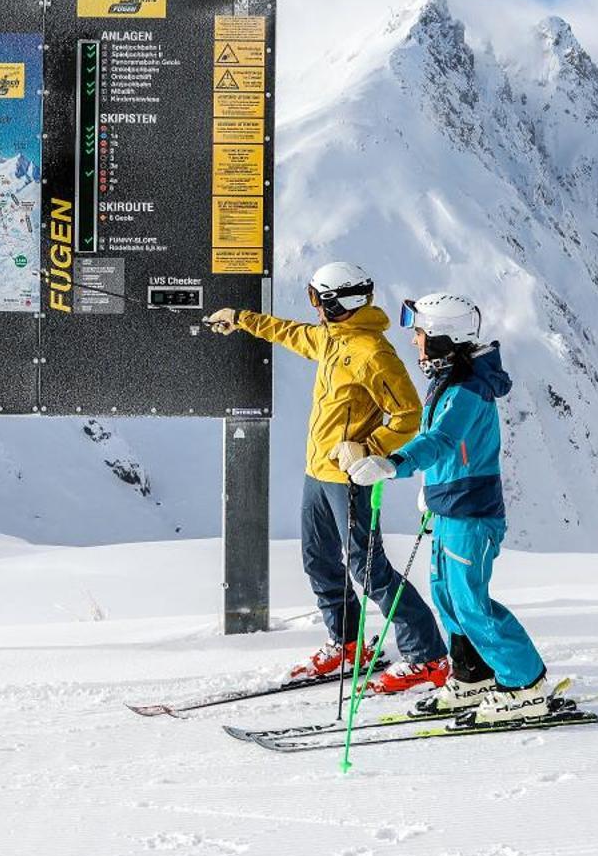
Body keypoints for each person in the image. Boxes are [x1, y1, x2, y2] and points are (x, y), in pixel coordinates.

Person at [204, 262, 450, 693]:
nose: (313, 307)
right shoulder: (332, 340)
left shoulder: (373, 354)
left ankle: (427, 655)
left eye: (316, 298)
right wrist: (241, 319)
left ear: (335, 303)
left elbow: (409, 414)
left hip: (350, 478)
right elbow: (291, 333)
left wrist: (369, 448)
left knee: (368, 568)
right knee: (318, 560)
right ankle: (348, 644)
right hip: (318, 472)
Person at [336, 293, 551, 724]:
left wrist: (393, 464)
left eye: (419, 333)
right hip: (450, 507)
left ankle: (525, 684)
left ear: (440, 338)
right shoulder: (451, 380)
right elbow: (452, 453)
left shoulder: (467, 390)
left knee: (471, 601)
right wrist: (429, 494)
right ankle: (473, 677)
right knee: (447, 598)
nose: (414, 342)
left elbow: (441, 442)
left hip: (471, 513)